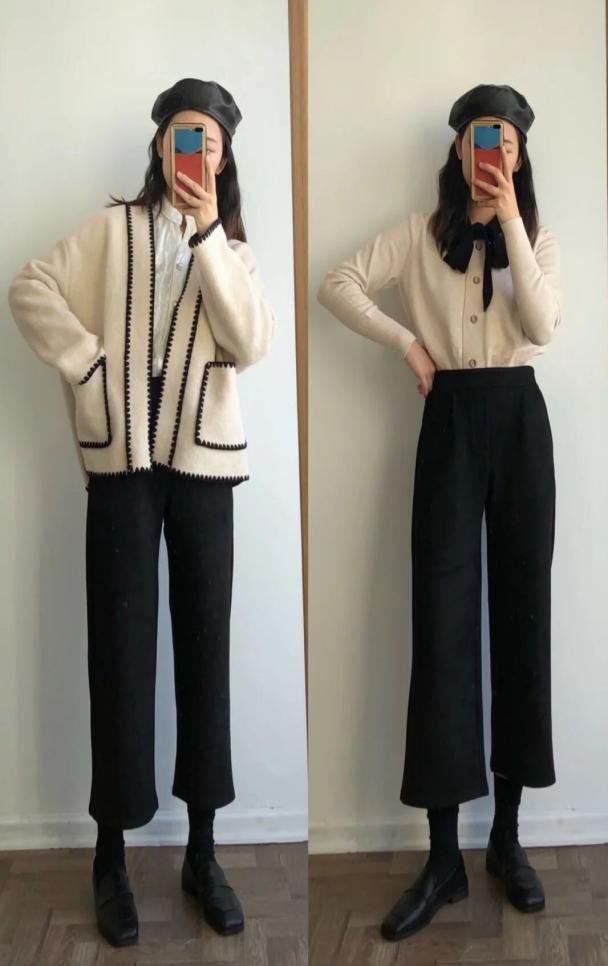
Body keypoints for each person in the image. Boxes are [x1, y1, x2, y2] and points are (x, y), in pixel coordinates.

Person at [8, 77, 277, 948]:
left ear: (223, 160)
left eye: (209, 141)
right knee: (119, 654)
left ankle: (203, 851)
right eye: (181, 135)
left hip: (205, 471)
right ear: (160, 145)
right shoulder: (110, 229)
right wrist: (88, 367)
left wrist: (207, 234)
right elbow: (30, 287)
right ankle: (110, 857)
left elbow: (251, 342)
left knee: (206, 652)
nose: (193, 151)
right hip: (122, 469)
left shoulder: (234, 251)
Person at [317, 83, 560, 942]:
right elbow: (338, 283)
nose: (493, 151)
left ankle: (508, 839)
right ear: (459, 149)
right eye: (480, 138)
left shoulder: (538, 238)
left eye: (506, 141)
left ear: (519, 156)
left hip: (520, 419)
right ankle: (444, 856)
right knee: (443, 625)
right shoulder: (420, 235)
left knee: (523, 619)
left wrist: (513, 224)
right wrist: (406, 343)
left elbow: (543, 325)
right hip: (450, 418)